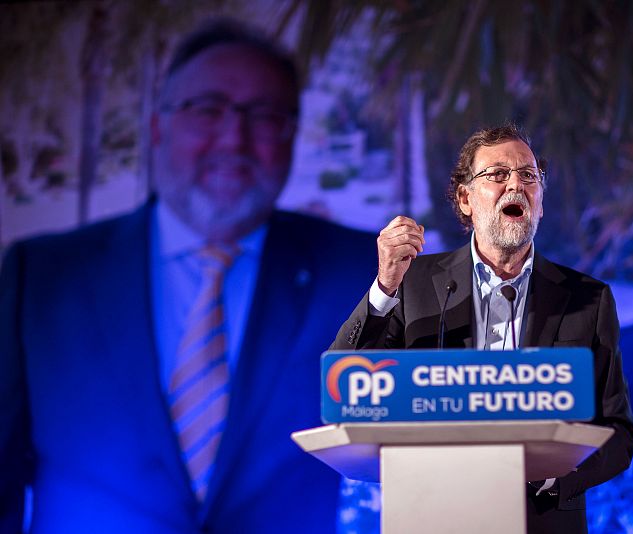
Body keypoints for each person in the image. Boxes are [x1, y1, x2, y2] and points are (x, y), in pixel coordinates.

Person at [0, 19, 376, 533]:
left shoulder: (363, 271)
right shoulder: (44, 277)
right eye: (208, 108)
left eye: (265, 116)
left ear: (291, 137)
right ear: (158, 127)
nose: (234, 138)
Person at [332, 124, 633, 533]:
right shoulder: (412, 281)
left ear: (541, 201)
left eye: (528, 176)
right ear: (465, 199)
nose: (516, 185)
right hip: (431, 516)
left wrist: (555, 479)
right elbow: (345, 379)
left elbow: (618, 431)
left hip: (542, 518)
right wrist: (385, 285)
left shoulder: (588, 299)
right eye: (497, 175)